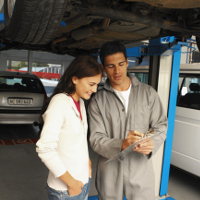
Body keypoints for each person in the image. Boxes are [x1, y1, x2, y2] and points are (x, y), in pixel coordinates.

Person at [88, 40, 168, 200]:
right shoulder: (98, 100)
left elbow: (160, 126)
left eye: (121, 63)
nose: (117, 70)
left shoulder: (148, 93)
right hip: (110, 170)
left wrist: (148, 140)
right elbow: (96, 139)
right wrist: (121, 144)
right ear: (103, 68)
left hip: (140, 169)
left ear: (127, 62)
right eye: (110, 66)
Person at [36, 55, 102, 200]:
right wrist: (71, 184)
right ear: (74, 79)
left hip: (82, 182)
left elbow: (77, 140)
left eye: (97, 84)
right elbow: (45, 148)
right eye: (91, 84)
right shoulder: (60, 102)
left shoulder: (80, 102)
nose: (95, 89)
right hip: (66, 190)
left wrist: (88, 164)